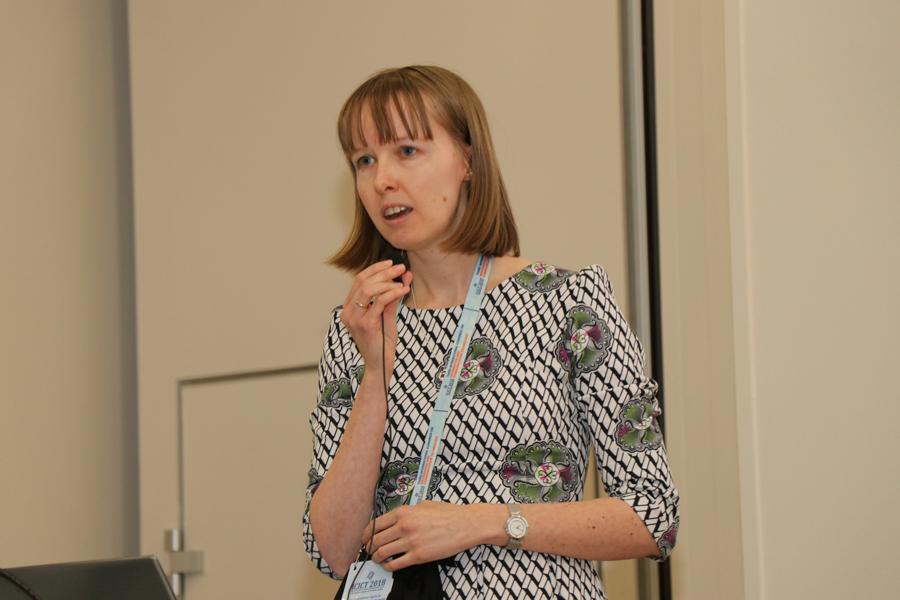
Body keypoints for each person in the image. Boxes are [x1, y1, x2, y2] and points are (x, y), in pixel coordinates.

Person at [303, 65, 679, 599]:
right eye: (364, 160)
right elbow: (333, 551)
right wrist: (376, 374)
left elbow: (654, 515)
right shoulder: (357, 328)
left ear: (467, 161)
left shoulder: (568, 302)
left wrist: (483, 522)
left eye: (406, 150)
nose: (382, 179)